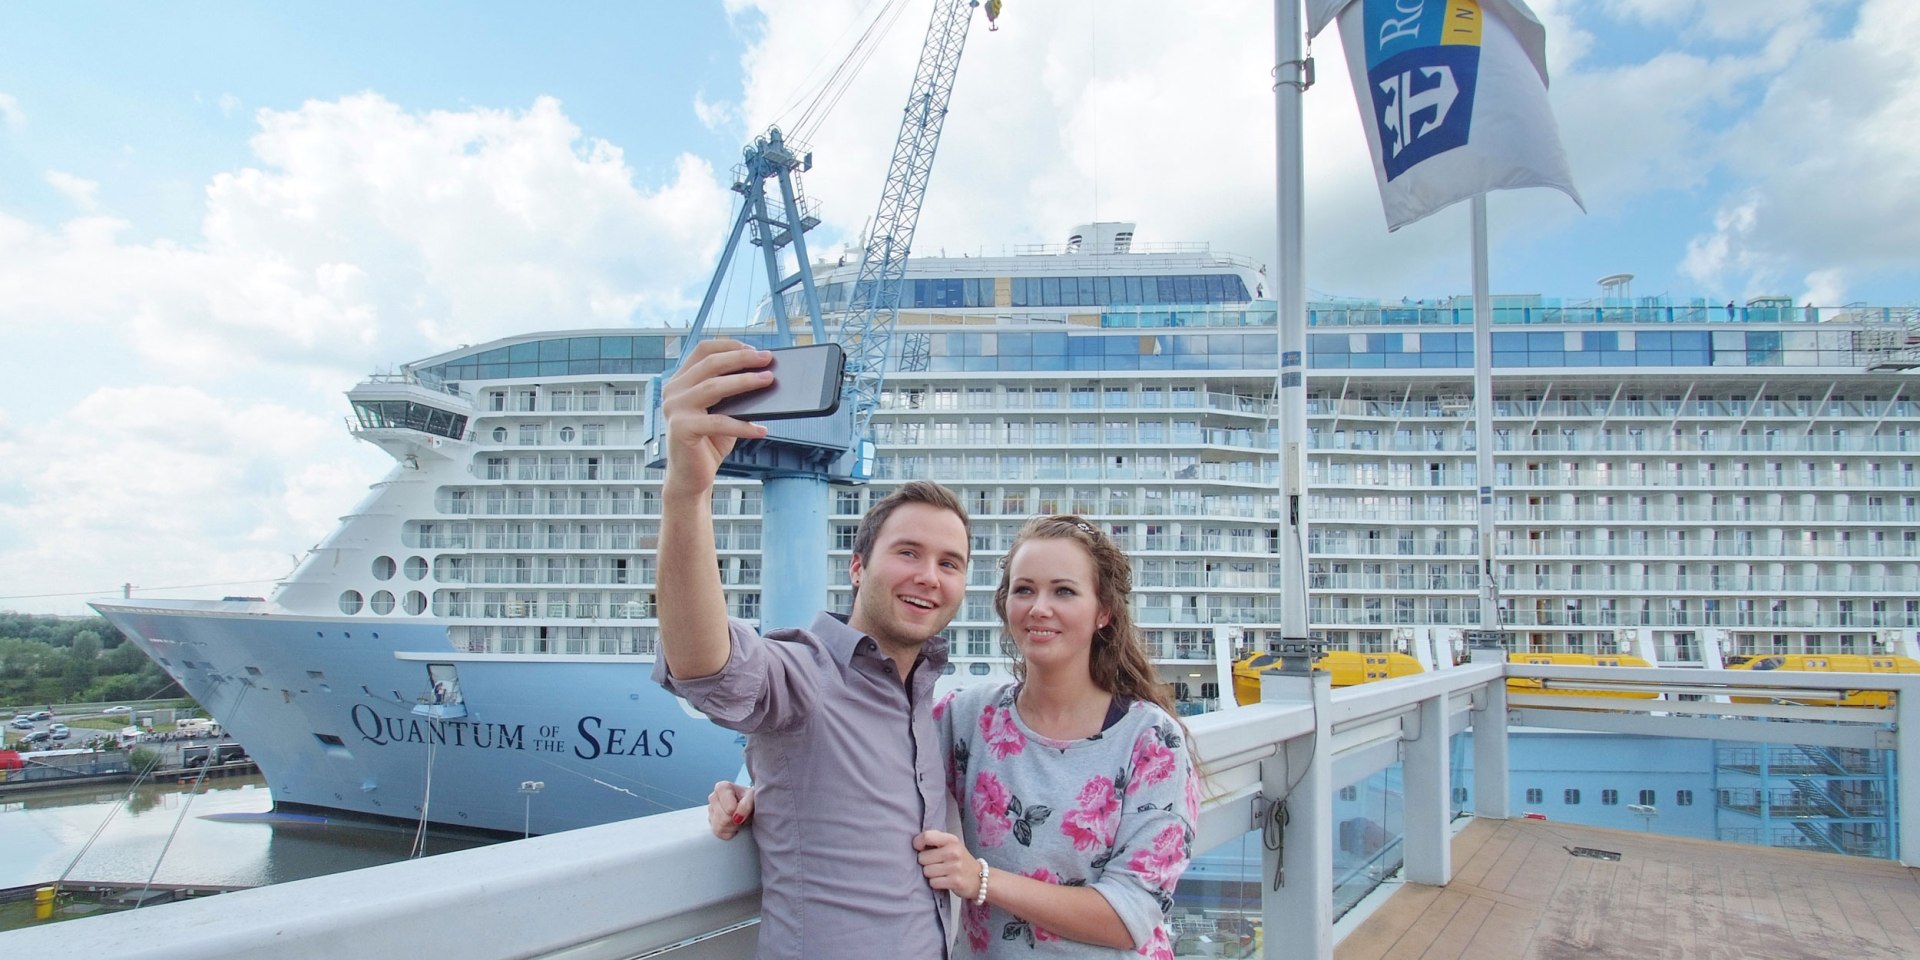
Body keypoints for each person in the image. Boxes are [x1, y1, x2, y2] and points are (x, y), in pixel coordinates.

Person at [715, 516, 1200, 959]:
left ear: (1104, 613)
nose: (1040, 608)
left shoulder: (1151, 741)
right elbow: (880, 769)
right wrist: (772, 792)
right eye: (1024, 590)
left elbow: (1129, 915)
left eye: (1065, 592)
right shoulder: (969, 717)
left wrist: (981, 880)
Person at [653, 338, 972, 960]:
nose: (929, 576)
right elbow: (707, 666)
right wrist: (687, 492)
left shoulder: (929, 705)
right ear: (857, 567)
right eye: (907, 553)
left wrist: (767, 796)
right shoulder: (803, 673)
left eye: (949, 562)